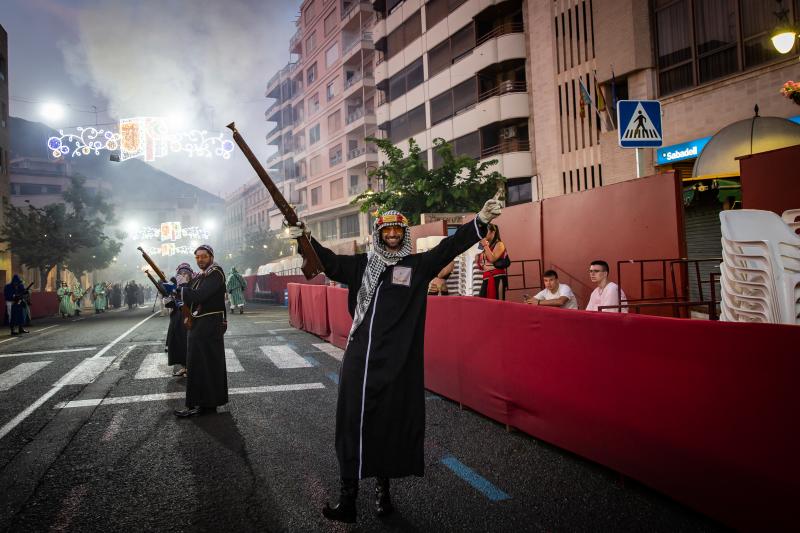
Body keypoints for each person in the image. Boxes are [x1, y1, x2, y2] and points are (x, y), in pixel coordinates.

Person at [286, 198, 502, 524]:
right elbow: (327, 262)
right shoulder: (361, 265)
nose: (391, 235)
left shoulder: (416, 266)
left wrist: (480, 221)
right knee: (351, 425)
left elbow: (449, 248)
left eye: (397, 230)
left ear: (404, 233)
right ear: (378, 233)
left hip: (396, 364)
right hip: (359, 360)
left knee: (386, 426)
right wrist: (304, 237)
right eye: (386, 230)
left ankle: (382, 495)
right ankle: (348, 500)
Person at [167, 245, 228, 417]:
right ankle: (202, 404)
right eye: (197, 257)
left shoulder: (216, 273)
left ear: (211, 257)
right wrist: (173, 291)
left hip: (209, 324)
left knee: (206, 365)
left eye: (204, 256)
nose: (200, 260)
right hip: (201, 324)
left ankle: (206, 404)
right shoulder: (202, 276)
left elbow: (200, 295)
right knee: (198, 364)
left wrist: (180, 289)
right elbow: (191, 297)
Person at [165, 265, 194, 378]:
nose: (183, 275)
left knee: (189, 343)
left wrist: (183, 288)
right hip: (177, 318)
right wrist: (168, 296)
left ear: (190, 274)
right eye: (181, 273)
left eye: (185, 273)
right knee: (178, 343)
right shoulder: (174, 284)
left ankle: (191, 368)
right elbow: (170, 302)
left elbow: (195, 298)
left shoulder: (194, 284)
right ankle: (185, 367)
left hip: (189, 317)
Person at [476, 224, 508, 300]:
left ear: (493, 232)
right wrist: (478, 255)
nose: (483, 233)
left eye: (485, 231)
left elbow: (492, 259)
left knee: (497, 303)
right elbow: (480, 265)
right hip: (486, 277)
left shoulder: (499, 244)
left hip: (497, 277)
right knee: (482, 302)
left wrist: (485, 245)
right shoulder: (485, 246)